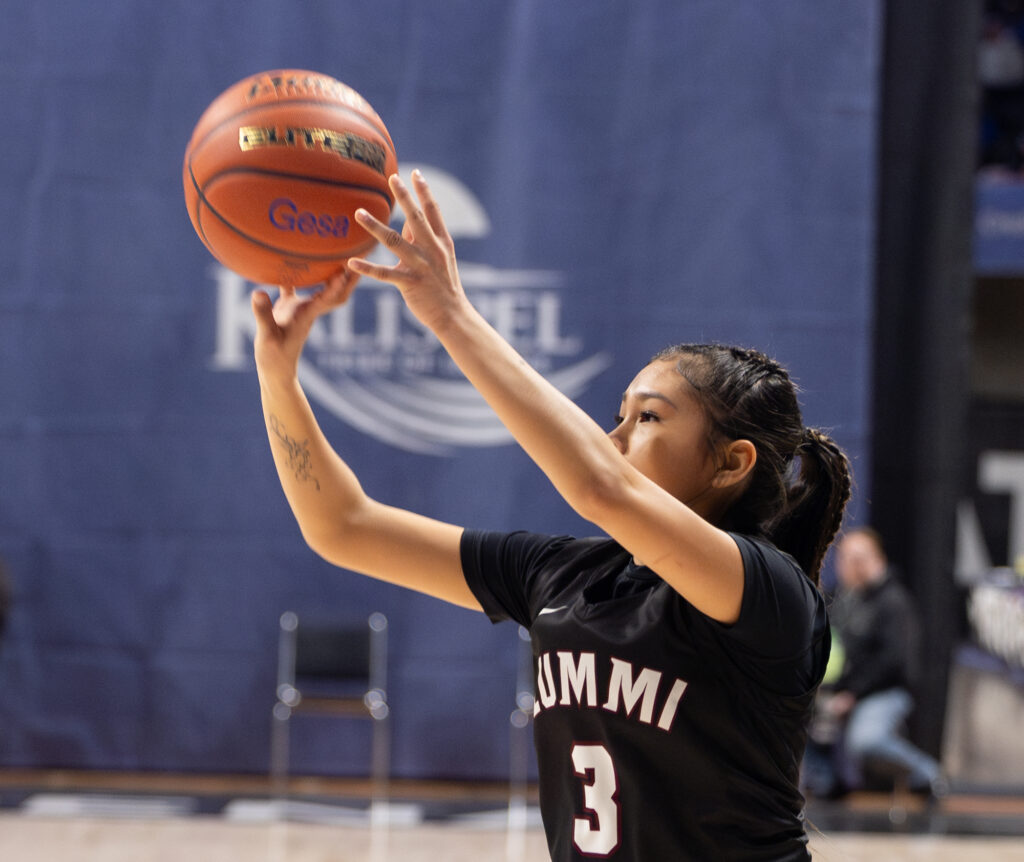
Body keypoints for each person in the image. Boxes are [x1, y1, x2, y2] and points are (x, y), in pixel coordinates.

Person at [250, 171, 852, 860]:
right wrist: (277, 374)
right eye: (617, 415)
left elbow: (601, 488)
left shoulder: (767, 592)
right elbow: (343, 527)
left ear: (731, 461)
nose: (615, 437)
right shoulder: (561, 576)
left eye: (649, 417)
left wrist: (450, 315)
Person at [807, 527, 944, 798]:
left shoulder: (894, 601)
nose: (852, 566)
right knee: (799, 714)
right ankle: (829, 786)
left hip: (883, 692)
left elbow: (894, 662)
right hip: (836, 691)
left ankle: (927, 774)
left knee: (867, 741)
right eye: (846, 558)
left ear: (878, 559)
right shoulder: (840, 600)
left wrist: (853, 694)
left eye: (860, 558)